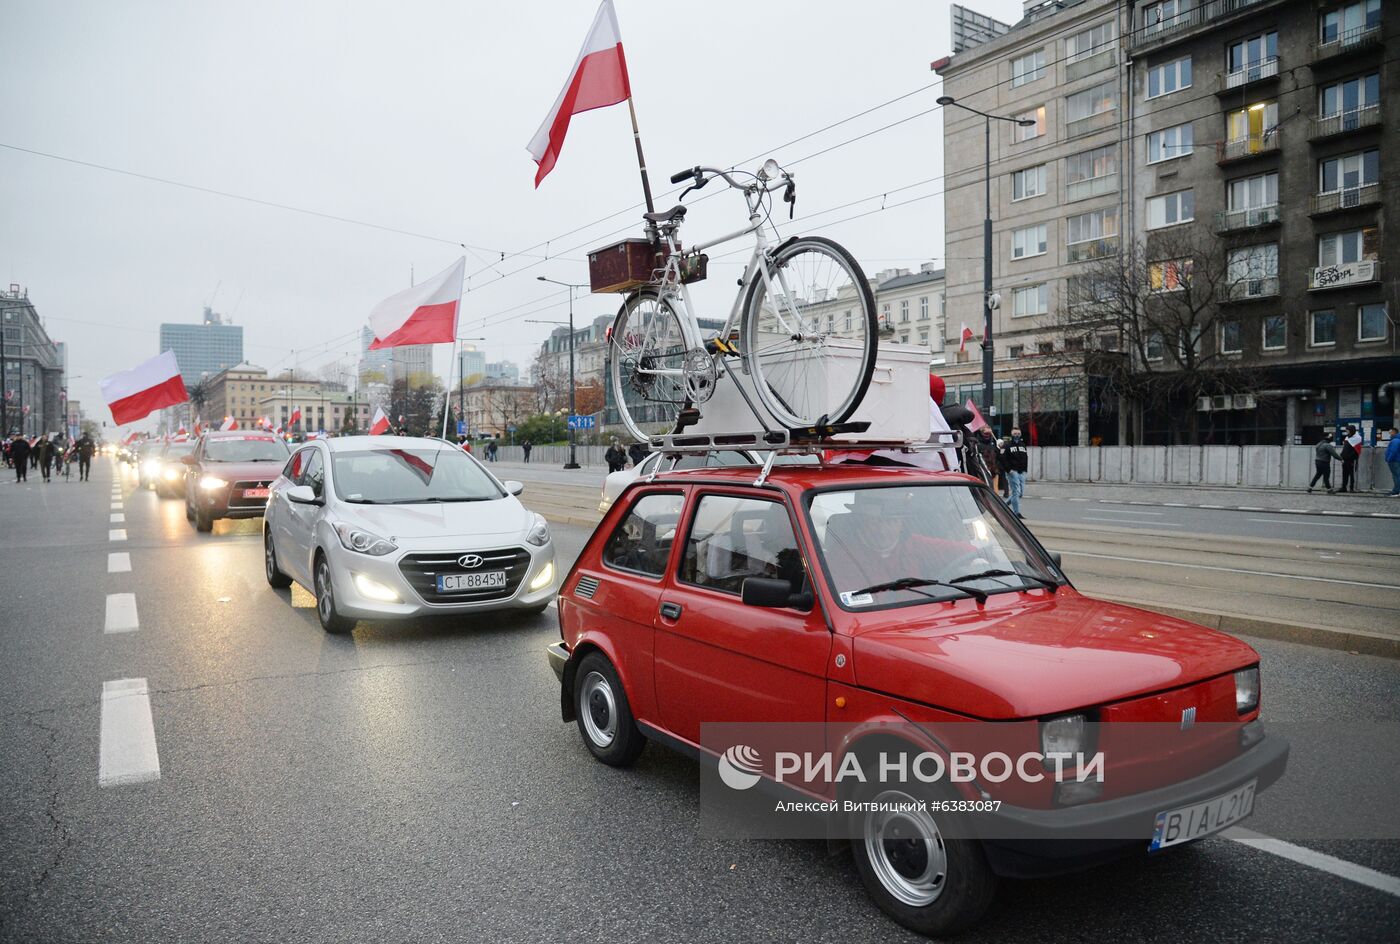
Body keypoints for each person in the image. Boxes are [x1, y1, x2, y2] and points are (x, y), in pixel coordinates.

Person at [999, 428, 1029, 518]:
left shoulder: (1023, 445)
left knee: (1020, 493)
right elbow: (1002, 458)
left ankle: (1003, 506)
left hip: (1022, 471)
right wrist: (1009, 470)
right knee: (1016, 491)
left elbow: (1025, 457)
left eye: (1018, 433)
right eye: (1015, 433)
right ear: (1011, 434)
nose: (1017, 435)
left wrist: (1025, 470)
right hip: (1013, 471)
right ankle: (1016, 513)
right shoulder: (1006, 445)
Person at [1339, 425, 1361, 493]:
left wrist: (1350, 456)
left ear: (1351, 430)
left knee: (1351, 474)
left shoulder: (1357, 438)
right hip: (1344, 458)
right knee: (1344, 473)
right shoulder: (1347, 437)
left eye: (1348, 430)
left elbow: (1356, 450)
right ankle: (1344, 487)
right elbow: (1345, 448)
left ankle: (1351, 488)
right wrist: (1342, 456)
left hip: (1350, 459)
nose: (1347, 432)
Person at [1385, 427, 1399, 497]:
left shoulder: (1395, 441)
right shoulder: (1396, 440)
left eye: (1390, 432)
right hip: (1395, 460)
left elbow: (1393, 451)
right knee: (1396, 476)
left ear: (1394, 432)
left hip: (1394, 461)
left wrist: (1389, 459)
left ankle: (1396, 491)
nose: (1389, 434)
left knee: (1396, 476)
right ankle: (1396, 490)